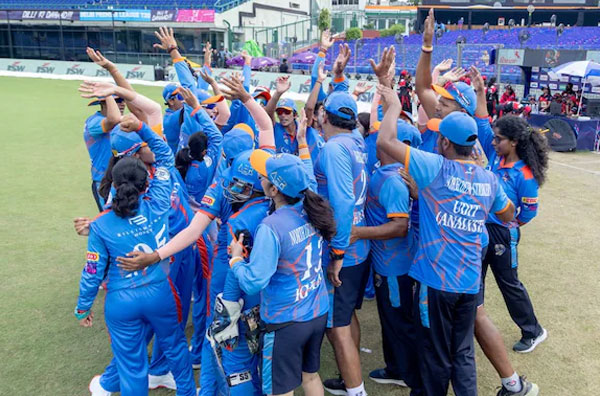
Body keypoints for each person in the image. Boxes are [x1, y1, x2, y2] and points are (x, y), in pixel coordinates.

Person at [376, 82, 515, 396]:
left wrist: (394, 105)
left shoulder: (433, 166)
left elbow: (386, 140)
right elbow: (508, 215)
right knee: (462, 351)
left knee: (434, 353)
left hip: (436, 281)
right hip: (468, 281)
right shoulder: (488, 177)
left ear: (444, 142)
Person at [76, 114, 196, 396]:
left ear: (115, 185)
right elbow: (166, 157)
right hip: (160, 293)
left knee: (132, 367)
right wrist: (142, 128)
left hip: (121, 301)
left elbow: (92, 272)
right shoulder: (158, 203)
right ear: (146, 185)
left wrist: (83, 307)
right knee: (177, 350)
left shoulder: (101, 223)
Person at [227, 149, 336, 396]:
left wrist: (236, 260)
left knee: (280, 390)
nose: (259, 177)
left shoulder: (271, 226)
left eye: (263, 175)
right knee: (310, 377)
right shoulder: (313, 207)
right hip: (316, 310)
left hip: (286, 320)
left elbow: (254, 282)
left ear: (274, 190)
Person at [351, 120, 423, 395]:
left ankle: (407, 374)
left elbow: (399, 227)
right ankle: (396, 367)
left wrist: (359, 232)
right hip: (385, 265)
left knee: (399, 322)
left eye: (385, 137)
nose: (378, 141)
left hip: (396, 267)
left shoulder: (394, 180)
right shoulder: (384, 170)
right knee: (391, 319)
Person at [314, 87, 371, 395]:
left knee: (337, 325)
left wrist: (337, 251)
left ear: (326, 116)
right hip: (357, 246)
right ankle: (349, 379)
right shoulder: (356, 141)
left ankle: (355, 389)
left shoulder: (335, 148)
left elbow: (343, 201)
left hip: (343, 248)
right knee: (346, 316)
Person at [83, 95, 125, 211]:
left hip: (122, 178)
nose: (123, 104)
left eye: (124, 100)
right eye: (118, 101)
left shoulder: (122, 120)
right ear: (104, 103)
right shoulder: (94, 122)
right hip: (104, 181)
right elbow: (113, 120)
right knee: (110, 220)